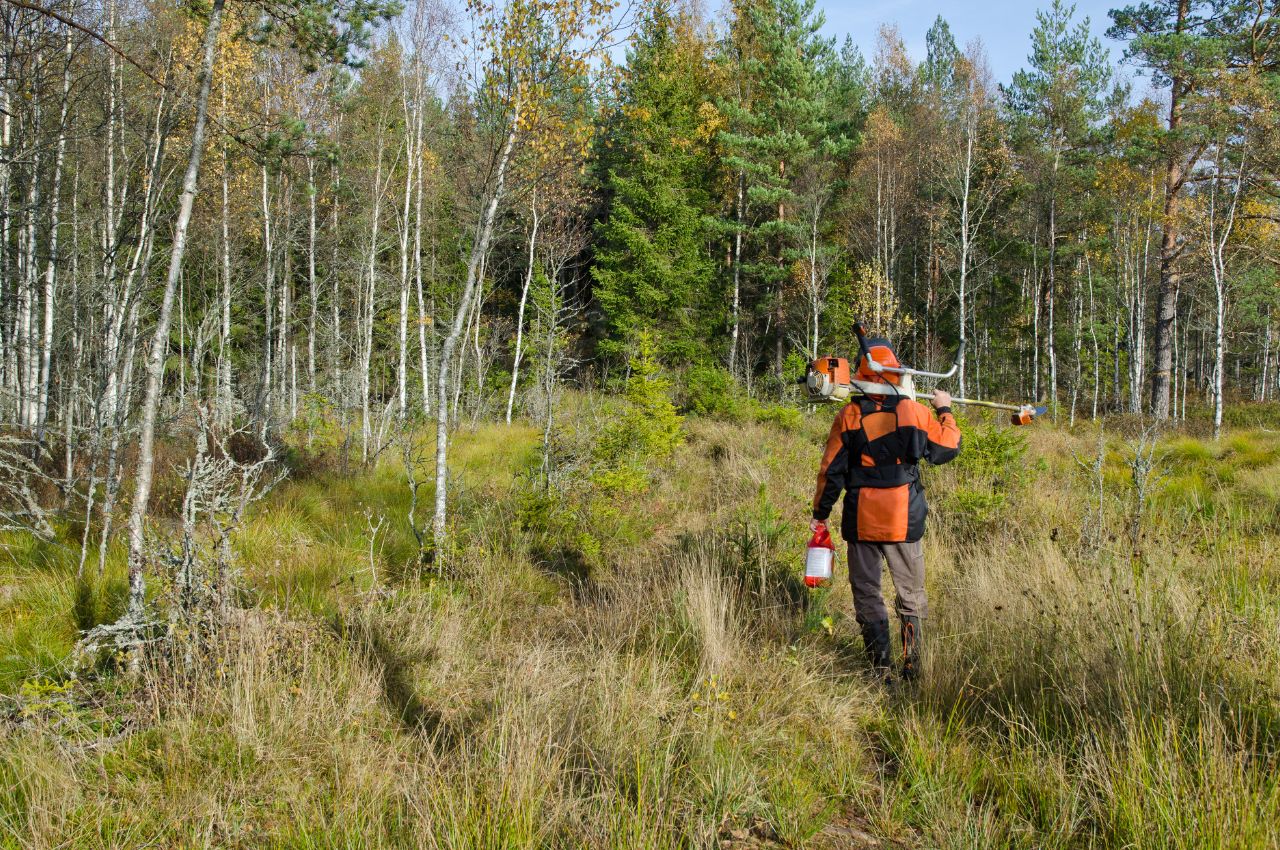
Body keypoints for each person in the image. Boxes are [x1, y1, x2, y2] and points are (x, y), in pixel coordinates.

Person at [810, 337, 961, 682]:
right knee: (911, 593)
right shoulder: (914, 411)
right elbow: (947, 448)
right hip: (903, 519)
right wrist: (945, 409)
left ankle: (880, 669)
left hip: (861, 520)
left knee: (867, 593)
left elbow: (830, 470)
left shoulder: (849, 415)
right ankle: (912, 666)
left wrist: (821, 512)